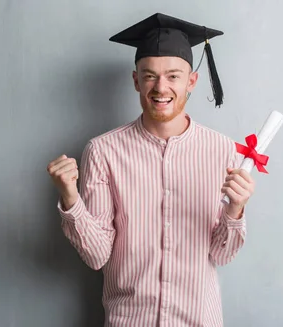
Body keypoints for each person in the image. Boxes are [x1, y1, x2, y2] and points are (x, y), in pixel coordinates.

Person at [47, 12, 255, 327]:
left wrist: (235, 210)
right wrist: (70, 198)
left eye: (173, 76)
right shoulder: (103, 152)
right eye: (149, 75)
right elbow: (97, 256)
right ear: (136, 80)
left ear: (192, 82)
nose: (161, 87)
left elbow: (221, 255)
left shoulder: (222, 150)